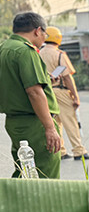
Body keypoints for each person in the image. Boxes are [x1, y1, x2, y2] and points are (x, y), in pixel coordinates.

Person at [0, 12, 61, 178]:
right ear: (37, 31)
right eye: (44, 34)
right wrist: (49, 127)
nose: (44, 38)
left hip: (16, 121)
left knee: (24, 173)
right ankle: (46, 205)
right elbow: (34, 91)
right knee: (44, 173)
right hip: (35, 122)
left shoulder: (4, 48)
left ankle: (16, 204)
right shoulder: (26, 51)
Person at [38, 27, 89, 161]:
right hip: (60, 90)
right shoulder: (59, 54)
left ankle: (61, 151)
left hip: (46, 92)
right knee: (70, 120)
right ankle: (79, 150)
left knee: (56, 122)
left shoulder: (38, 53)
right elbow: (67, 77)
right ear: (58, 38)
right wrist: (75, 97)